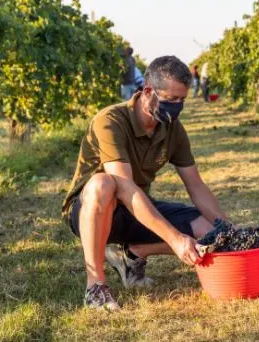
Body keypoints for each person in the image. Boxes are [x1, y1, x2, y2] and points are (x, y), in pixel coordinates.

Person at [62, 55, 228, 311]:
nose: (177, 106)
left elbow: (196, 186)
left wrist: (229, 229)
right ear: (147, 91)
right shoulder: (111, 121)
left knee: (210, 230)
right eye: (171, 99)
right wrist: (174, 238)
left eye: (182, 100)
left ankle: (133, 253)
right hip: (93, 210)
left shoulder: (172, 128)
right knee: (103, 184)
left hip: (136, 209)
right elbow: (124, 187)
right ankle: (95, 287)